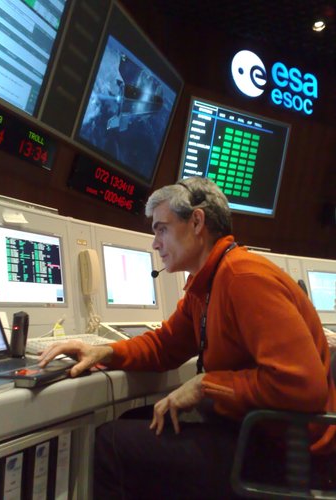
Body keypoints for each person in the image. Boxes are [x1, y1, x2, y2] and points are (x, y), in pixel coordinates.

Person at [39, 177, 336, 499]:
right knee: (134, 421)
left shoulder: (244, 278)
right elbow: (164, 345)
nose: (155, 243)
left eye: (161, 228)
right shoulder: (206, 283)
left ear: (196, 222)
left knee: (111, 443)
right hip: (253, 431)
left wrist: (205, 384)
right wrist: (103, 351)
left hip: (286, 452)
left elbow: (301, 386)